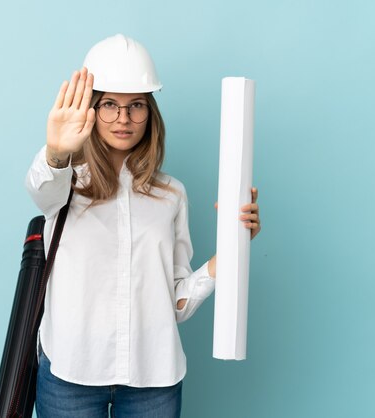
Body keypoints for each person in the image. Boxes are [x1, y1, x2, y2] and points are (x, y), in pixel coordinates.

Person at [25, 34, 261, 418]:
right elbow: (41, 188)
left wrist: (233, 250)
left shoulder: (172, 195)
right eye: (109, 106)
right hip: (70, 375)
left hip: (153, 381)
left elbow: (175, 304)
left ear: (150, 113)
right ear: (90, 110)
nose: (123, 118)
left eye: (136, 105)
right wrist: (56, 152)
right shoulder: (64, 182)